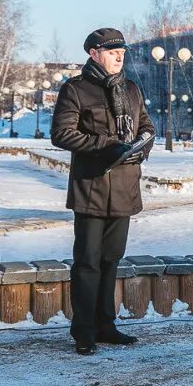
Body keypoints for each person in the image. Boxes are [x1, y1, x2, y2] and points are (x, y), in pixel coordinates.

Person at [50, 28, 156, 355]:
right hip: (91, 188)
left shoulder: (132, 90)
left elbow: (146, 127)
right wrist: (105, 146)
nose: (119, 56)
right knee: (87, 263)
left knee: (111, 261)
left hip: (124, 188)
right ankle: (83, 330)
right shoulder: (76, 90)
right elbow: (62, 134)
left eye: (121, 51)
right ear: (94, 54)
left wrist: (142, 145)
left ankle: (106, 325)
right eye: (112, 52)